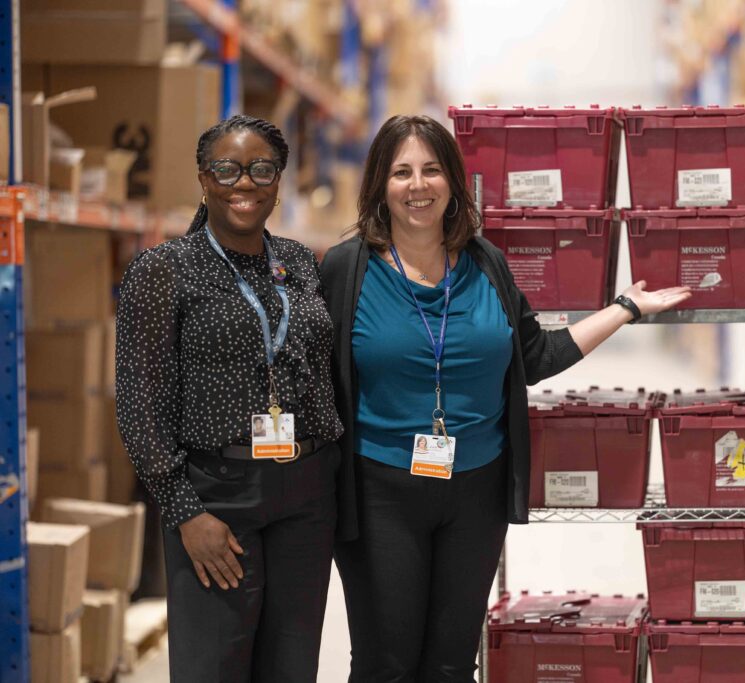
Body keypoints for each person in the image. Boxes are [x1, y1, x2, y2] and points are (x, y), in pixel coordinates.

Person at [320, 114, 690, 681]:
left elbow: (535, 355)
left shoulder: (485, 263)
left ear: (453, 183)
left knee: (450, 663)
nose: (417, 186)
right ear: (379, 185)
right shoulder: (349, 269)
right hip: (380, 494)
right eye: (401, 173)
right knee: (385, 663)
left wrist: (626, 308)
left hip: (476, 493)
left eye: (431, 170)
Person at [115, 114, 350, 683]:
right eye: (227, 169)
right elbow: (138, 399)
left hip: (306, 491)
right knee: (211, 666)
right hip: (215, 495)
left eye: (260, 169)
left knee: (291, 666)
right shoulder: (163, 269)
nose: (244, 183)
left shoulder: (296, 261)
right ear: (204, 178)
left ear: (278, 182)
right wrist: (184, 511)